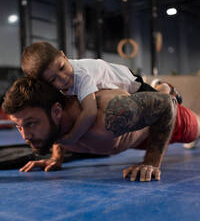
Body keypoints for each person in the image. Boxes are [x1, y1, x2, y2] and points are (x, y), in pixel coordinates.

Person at [2, 77, 200, 182]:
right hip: (129, 132)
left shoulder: (105, 115)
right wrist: (56, 158)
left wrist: (152, 161)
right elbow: (58, 131)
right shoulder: (54, 123)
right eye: (18, 125)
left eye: (31, 123)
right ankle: (153, 88)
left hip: (156, 122)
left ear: (56, 112)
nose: (25, 135)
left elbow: (165, 107)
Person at [21, 42, 174, 146]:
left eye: (62, 67)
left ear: (64, 56)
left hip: (130, 82)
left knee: (161, 99)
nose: (63, 77)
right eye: (53, 78)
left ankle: (164, 86)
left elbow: (90, 112)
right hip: (110, 81)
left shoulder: (80, 75)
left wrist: (72, 137)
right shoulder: (59, 79)